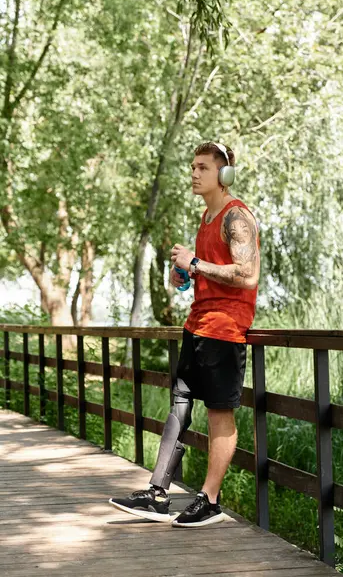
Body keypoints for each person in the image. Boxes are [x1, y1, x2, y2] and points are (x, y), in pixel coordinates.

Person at [109, 141, 260, 527]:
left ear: (223, 175)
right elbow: (211, 271)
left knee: (219, 414)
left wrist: (196, 261)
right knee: (178, 405)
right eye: (192, 166)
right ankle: (158, 493)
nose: (194, 173)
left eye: (202, 167)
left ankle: (209, 500)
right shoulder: (206, 219)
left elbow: (248, 275)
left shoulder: (236, 217)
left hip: (226, 331)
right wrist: (184, 274)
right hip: (196, 326)